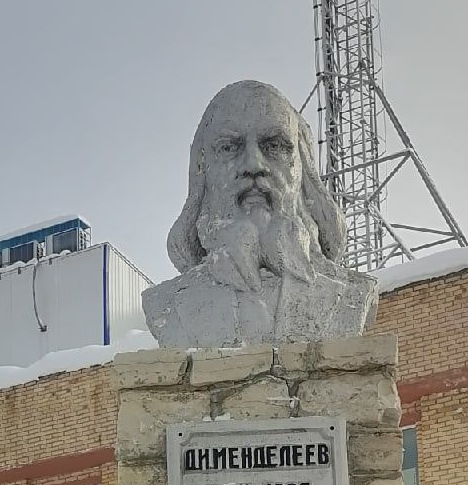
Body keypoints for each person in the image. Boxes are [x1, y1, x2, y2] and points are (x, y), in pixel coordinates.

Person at [142, 79, 378, 348]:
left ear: (303, 170)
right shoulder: (168, 305)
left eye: (274, 145)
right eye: (229, 147)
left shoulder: (350, 296)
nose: (253, 165)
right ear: (203, 171)